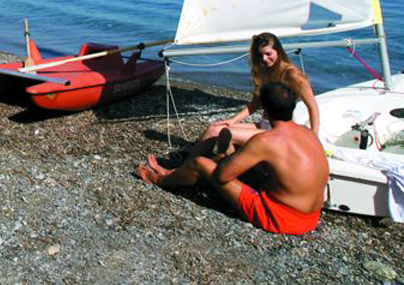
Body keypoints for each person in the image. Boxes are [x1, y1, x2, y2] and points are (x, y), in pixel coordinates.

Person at [137, 82, 327, 235]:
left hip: (280, 217)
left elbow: (222, 176)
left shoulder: (266, 140)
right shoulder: (308, 133)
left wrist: (221, 158)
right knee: (228, 162)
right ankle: (173, 173)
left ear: (265, 111)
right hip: (311, 217)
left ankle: (161, 179)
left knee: (201, 163)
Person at [177, 32, 321, 162]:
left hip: (278, 130)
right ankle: (189, 164)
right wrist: (232, 120)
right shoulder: (264, 72)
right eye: (260, 55)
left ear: (278, 51)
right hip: (263, 124)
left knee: (227, 134)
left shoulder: (292, 75)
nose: (264, 59)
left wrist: (314, 139)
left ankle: (222, 167)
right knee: (214, 128)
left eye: (268, 54)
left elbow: (312, 107)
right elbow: (254, 106)